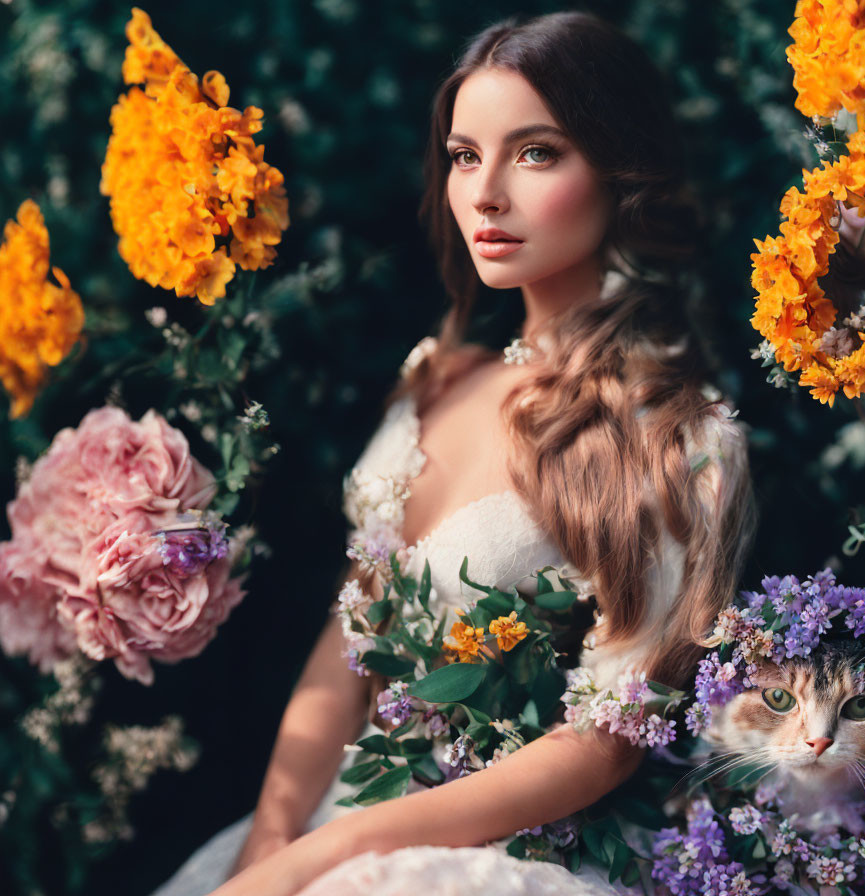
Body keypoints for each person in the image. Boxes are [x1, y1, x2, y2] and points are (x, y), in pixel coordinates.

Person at [153, 11, 754, 896]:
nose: (484, 193)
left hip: (494, 858)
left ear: (621, 172)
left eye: (536, 152)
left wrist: (329, 857)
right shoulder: (436, 380)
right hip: (326, 820)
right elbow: (348, 636)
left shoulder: (680, 439)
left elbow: (603, 745)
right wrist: (275, 839)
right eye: (466, 155)